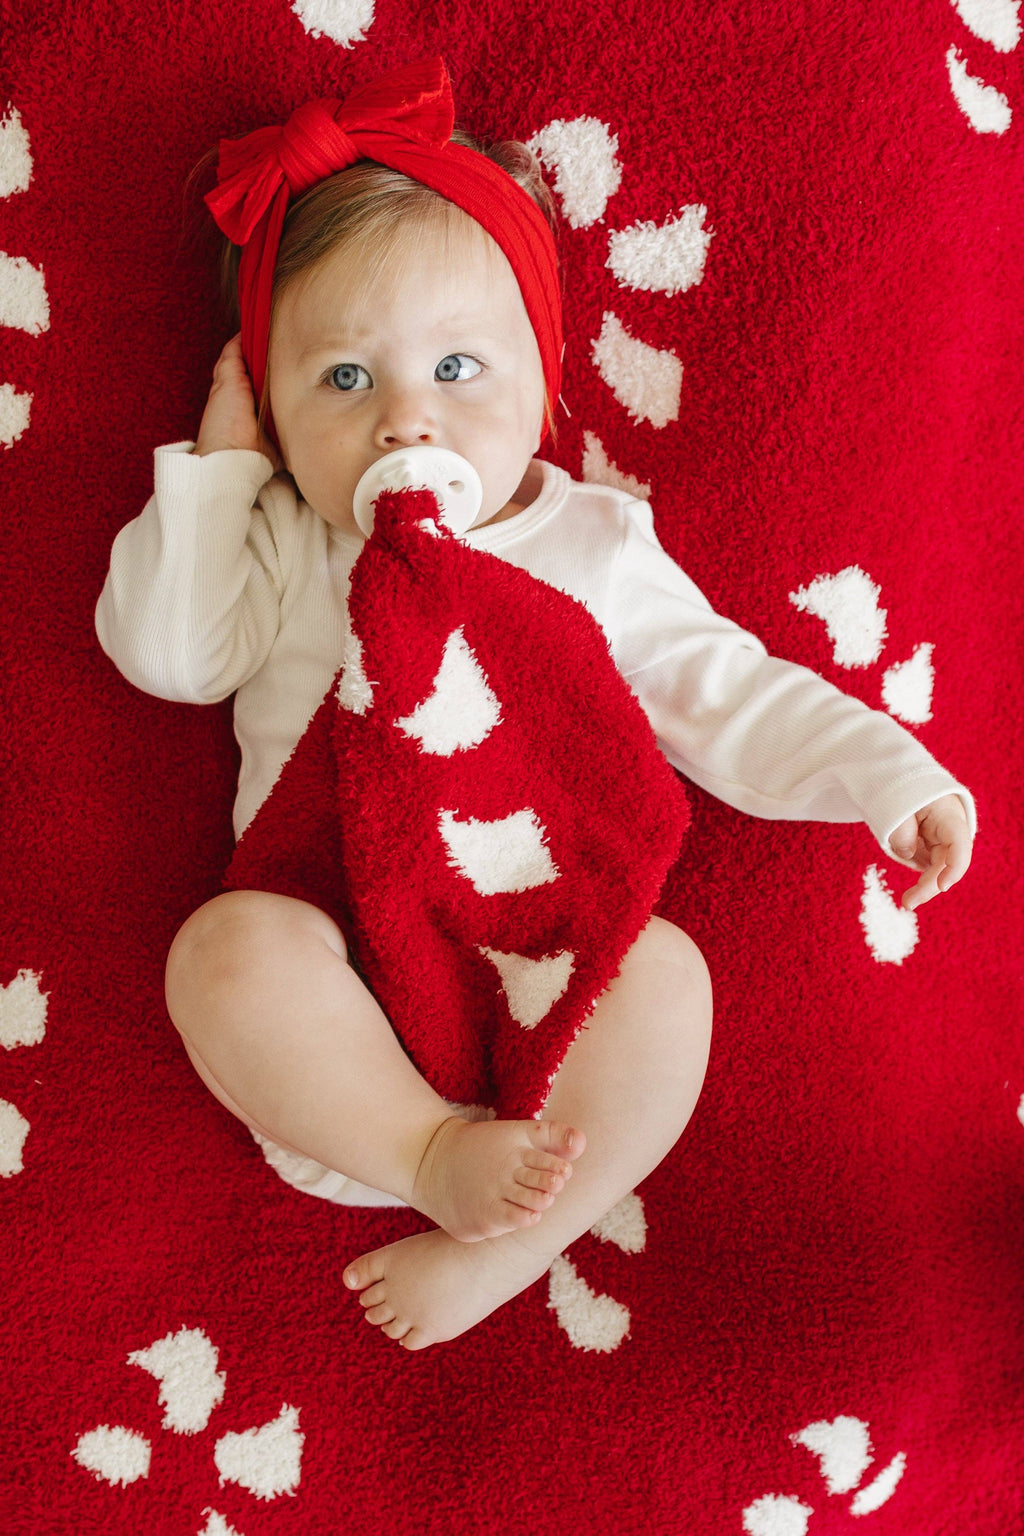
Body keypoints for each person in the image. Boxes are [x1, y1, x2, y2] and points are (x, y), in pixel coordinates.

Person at [95, 58, 975, 1351]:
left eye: (460, 365)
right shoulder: (289, 541)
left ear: (548, 386)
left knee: (668, 979)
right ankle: (428, 1150)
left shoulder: (591, 552)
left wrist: (890, 777)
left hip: (550, 976)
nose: (408, 418)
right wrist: (222, 471)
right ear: (273, 412)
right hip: (335, 1008)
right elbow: (171, 656)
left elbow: (724, 690)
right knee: (222, 955)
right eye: (341, 382)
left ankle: (519, 1243)